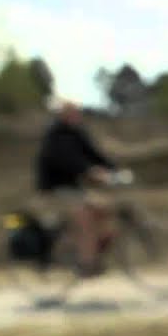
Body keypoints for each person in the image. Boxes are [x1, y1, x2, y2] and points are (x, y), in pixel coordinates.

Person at [35, 101, 117, 276]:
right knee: (84, 217)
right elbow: (66, 160)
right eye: (72, 113)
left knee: (104, 210)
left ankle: (90, 251)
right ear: (63, 114)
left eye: (77, 113)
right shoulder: (55, 135)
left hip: (74, 188)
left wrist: (113, 169)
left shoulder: (77, 133)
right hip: (55, 188)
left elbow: (94, 154)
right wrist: (88, 171)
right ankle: (85, 263)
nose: (76, 116)